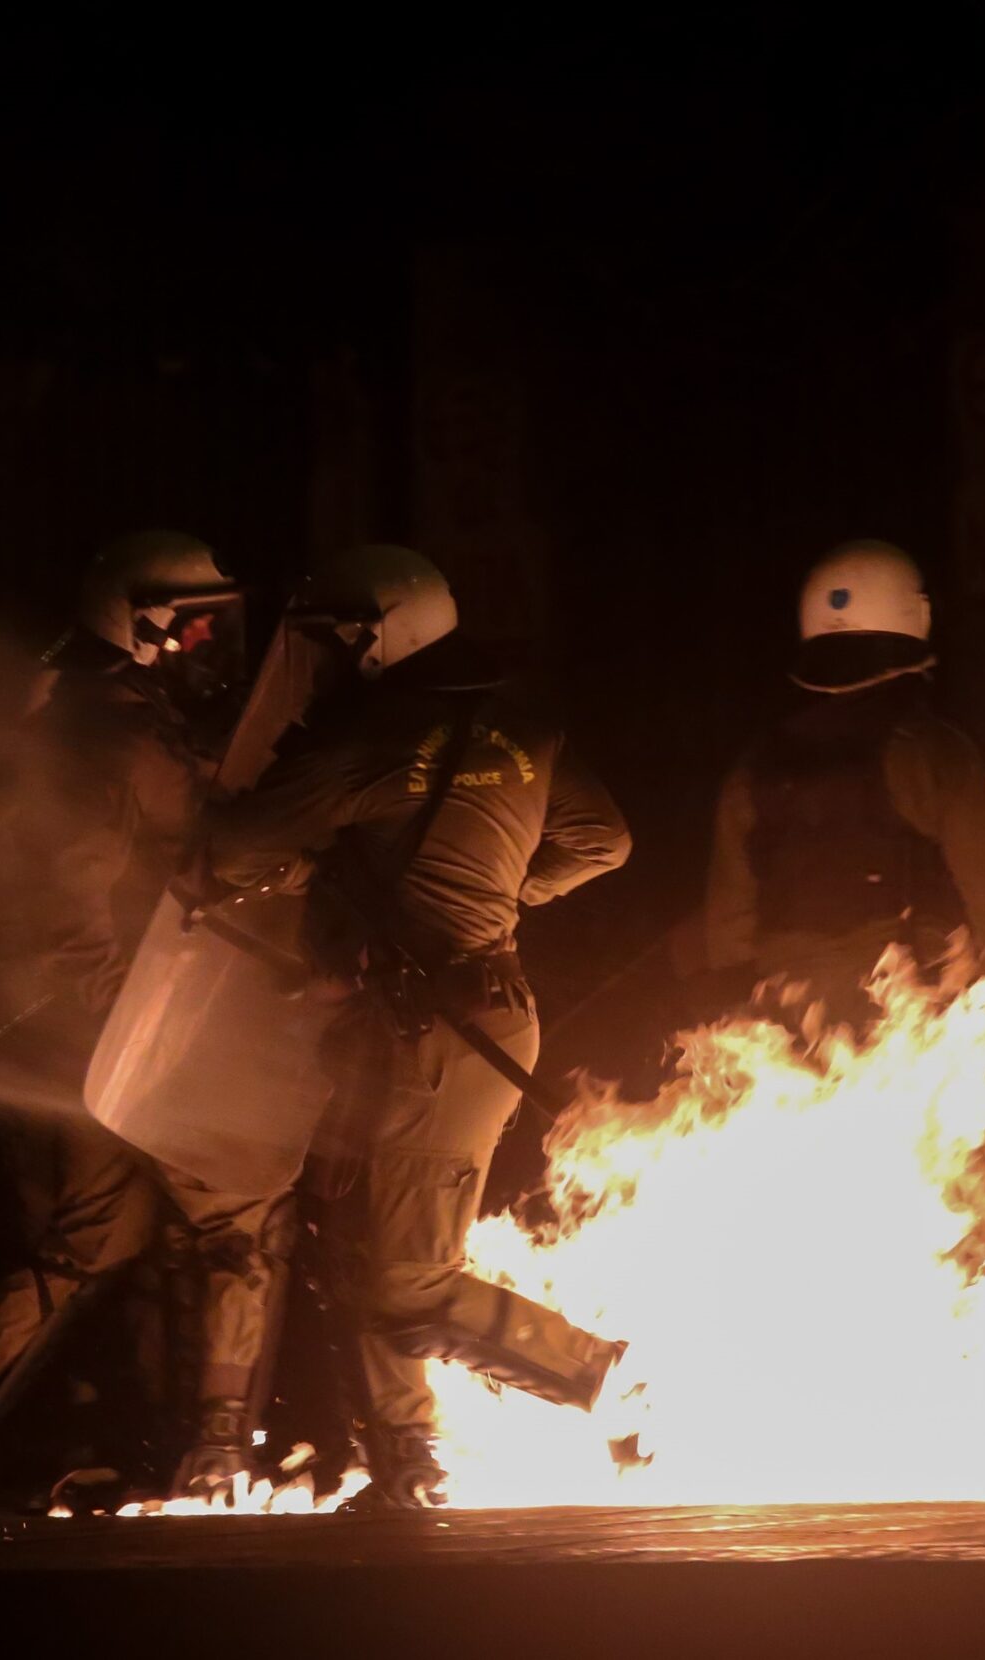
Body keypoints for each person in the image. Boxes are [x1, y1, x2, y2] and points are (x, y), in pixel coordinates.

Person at [199, 543, 633, 1509]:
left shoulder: (373, 738)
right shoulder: (520, 719)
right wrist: (501, 894)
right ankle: (408, 1466)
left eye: (338, 638)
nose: (325, 658)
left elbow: (231, 847)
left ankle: (607, 1376)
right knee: (360, 1254)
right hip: (459, 1013)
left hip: (431, 1035)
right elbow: (605, 841)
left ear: (381, 634)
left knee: (404, 1282)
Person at [0, 531, 246, 1518]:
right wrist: (126, 1021)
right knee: (241, 1220)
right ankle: (220, 1460)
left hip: (116, 1028)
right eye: (193, 622)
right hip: (116, 1033)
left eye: (220, 619)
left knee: (95, 1240)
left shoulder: (116, 719)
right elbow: (67, 902)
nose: (212, 640)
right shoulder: (106, 734)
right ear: (135, 624)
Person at [704, 540, 985, 1025]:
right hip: (911, 1018)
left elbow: (726, 931)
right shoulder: (934, 752)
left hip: (786, 1029)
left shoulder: (754, 767)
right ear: (916, 620)